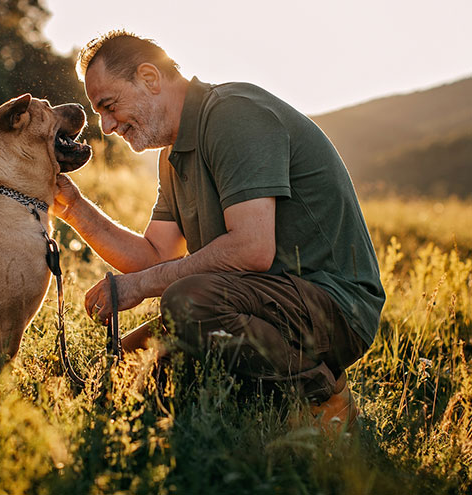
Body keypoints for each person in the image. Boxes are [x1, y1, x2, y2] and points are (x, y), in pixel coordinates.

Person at [51, 30, 385, 429]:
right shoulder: (172, 155)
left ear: (150, 78)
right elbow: (154, 256)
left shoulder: (233, 114)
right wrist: (72, 206)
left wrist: (138, 287)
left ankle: (322, 396)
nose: (105, 126)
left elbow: (251, 249)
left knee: (187, 302)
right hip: (258, 300)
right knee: (114, 375)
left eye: (109, 105)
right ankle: (252, 394)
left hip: (333, 307)